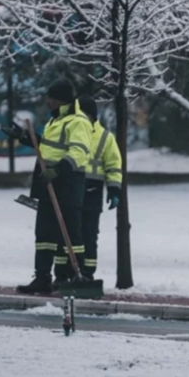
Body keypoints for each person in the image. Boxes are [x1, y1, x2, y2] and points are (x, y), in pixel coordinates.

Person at [3, 77, 93, 295]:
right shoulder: (56, 121)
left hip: (67, 185)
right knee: (44, 235)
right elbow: (46, 146)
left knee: (70, 234)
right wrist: (25, 137)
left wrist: (58, 170)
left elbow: (79, 153)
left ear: (61, 100)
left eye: (51, 98)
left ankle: (77, 276)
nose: (47, 101)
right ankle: (42, 277)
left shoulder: (78, 122)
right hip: (47, 183)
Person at [78, 96, 122, 280]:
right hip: (72, 188)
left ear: (91, 115)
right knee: (69, 234)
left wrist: (114, 189)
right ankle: (67, 272)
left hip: (92, 191)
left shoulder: (105, 137)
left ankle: (87, 273)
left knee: (89, 234)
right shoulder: (71, 132)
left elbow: (113, 164)